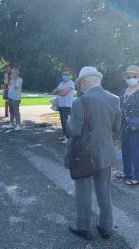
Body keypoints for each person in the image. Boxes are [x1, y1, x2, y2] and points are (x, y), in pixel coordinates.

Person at [66, 66, 121, 240]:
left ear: (84, 82)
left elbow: (73, 131)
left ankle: (83, 227)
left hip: (83, 153)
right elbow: (116, 128)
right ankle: (106, 227)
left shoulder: (80, 102)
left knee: (83, 191)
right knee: (104, 190)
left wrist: (68, 121)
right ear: (98, 80)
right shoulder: (115, 99)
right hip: (105, 152)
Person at [116, 65, 139, 185]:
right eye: (128, 76)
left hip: (137, 126)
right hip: (124, 125)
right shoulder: (123, 90)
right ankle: (127, 172)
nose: (131, 78)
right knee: (125, 149)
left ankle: (137, 176)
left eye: (134, 76)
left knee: (136, 151)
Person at [52, 67, 75, 144]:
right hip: (61, 105)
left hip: (68, 105)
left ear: (70, 75)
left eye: (67, 74)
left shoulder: (71, 83)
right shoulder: (61, 83)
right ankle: (65, 136)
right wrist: (60, 91)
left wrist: (58, 91)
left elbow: (64, 94)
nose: (65, 75)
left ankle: (68, 138)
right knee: (62, 121)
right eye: (64, 74)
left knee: (67, 122)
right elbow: (53, 91)